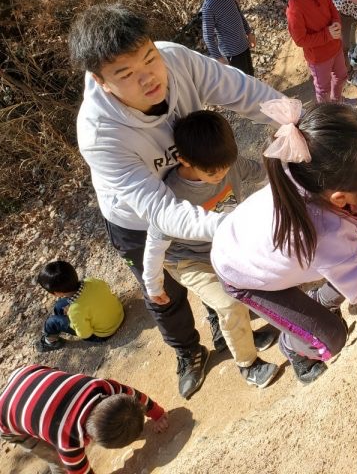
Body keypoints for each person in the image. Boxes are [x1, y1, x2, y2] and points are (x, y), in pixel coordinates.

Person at [71, 4, 284, 399]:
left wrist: (291, 119)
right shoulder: (100, 133)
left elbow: (242, 90)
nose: (148, 76)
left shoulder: (176, 59)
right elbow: (161, 213)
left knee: (214, 266)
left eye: (148, 58)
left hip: (201, 189)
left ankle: (224, 330)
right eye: (126, 74)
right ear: (102, 82)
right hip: (137, 220)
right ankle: (188, 352)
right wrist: (231, 223)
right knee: (164, 291)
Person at [211, 99, 357, 384]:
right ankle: (294, 347)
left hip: (258, 244)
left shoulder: (313, 166)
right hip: (244, 276)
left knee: (341, 270)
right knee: (332, 337)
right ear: (340, 199)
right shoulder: (324, 234)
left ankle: (319, 299)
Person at [142, 111, 279, 388]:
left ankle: (246, 334)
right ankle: (248, 364)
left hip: (224, 245)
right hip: (188, 260)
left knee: (258, 278)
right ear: (185, 160)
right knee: (229, 303)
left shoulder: (227, 164)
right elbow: (155, 243)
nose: (221, 176)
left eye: (225, 167)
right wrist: (152, 284)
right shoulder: (171, 196)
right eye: (212, 172)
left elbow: (265, 173)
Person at [0, 364, 168, 474]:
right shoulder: (67, 442)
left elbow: (136, 396)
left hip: (28, 373)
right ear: (91, 438)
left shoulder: (101, 386)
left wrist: (157, 414)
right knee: (58, 460)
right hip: (5, 416)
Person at [277, 0, 348, 103]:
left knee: (342, 76)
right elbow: (300, 40)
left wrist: (336, 23)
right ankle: (328, 115)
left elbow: (333, 10)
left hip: (335, 47)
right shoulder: (294, 9)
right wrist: (327, 34)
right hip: (319, 58)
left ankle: (338, 101)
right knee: (323, 89)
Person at [35, 260, 124, 352]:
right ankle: (62, 322)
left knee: (52, 322)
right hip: (119, 313)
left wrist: (73, 320)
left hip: (103, 334)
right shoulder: (92, 281)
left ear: (56, 293)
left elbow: (85, 334)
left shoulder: (75, 311)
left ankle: (50, 342)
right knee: (59, 305)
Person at [191, 0, 257, 76]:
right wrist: (219, 57)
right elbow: (208, 36)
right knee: (242, 81)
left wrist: (249, 33)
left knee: (250, 74)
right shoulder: (208, 8)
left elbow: (239, 14)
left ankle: (258, 93)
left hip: (243, 43)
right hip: (231, 53)